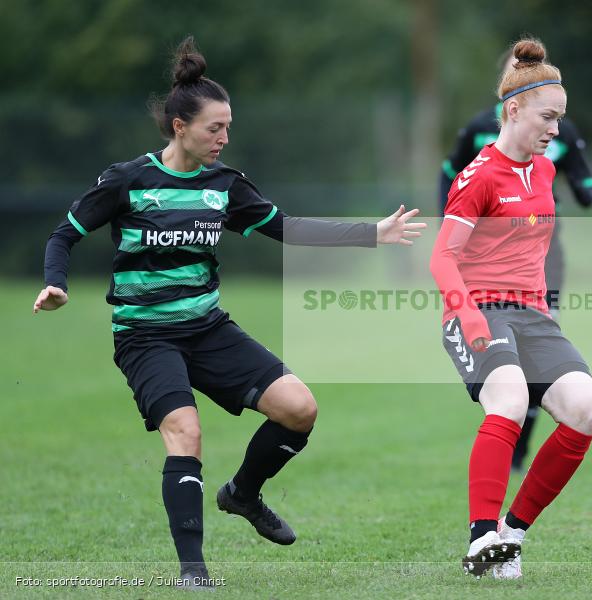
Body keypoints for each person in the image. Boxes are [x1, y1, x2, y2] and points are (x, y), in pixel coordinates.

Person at [32, 37, 425, 589]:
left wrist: (372, 234)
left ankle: (242, 493)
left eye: (228, 127)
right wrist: (55, 284)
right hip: (145, 336)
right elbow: (64, 235)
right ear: (179, 127)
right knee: (185, 431)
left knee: (299, 409)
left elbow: (286, 228)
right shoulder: (129, 180)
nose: (224, 137)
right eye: (214, 128)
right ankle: (193, 572)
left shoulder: (225, 186)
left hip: (207, 328)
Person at [430, 38, 592, 580]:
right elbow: (441, 259)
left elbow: (532, 250)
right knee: (506, 399)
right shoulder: (478, 176)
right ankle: (481, 539)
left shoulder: (546, 171)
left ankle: (511, 533)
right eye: (549, 117)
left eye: (561, 118)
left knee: (584, 410)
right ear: (514, 109)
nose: (556, 129)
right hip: (477, 311)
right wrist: (471, 315)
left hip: (531, 315)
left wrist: (541, 308)